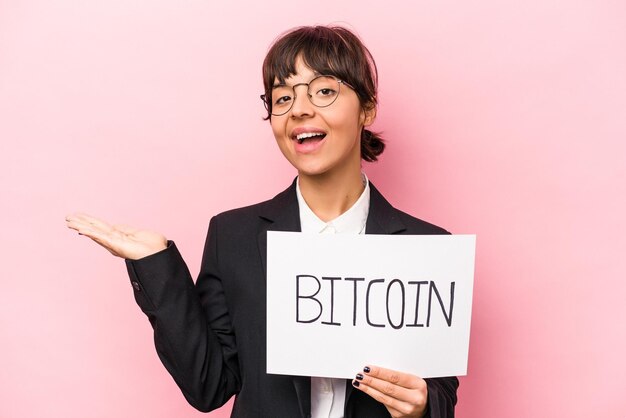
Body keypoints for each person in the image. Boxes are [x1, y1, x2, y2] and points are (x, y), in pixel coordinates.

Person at [66, 25, 458, 418]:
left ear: (367, 107)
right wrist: (157, 266)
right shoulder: (232, 236)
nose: (300, 109)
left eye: (324, 91)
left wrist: (422, 405)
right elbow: (209, 386)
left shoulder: (428, 248)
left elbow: (441, 394)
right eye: (283, 97)